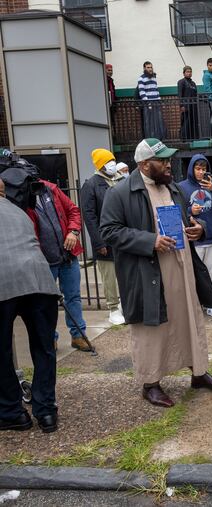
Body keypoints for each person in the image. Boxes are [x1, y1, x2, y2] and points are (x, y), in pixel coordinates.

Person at [100, 138, 212, 407]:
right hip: (148, 271)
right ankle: (150, 384)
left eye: (169, 160)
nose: (169, 165)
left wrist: (198, 228)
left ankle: (198, 372)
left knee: (189, 317)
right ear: (145, 165)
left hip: (182, 266)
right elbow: (109, 231)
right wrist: (150, 241)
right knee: (153, 328)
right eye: (163, 161)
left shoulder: (173, 188)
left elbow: (186, 221)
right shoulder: (121, 193)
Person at [0, 179, 60, 433]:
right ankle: (46, 412)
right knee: (43, 347)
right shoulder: (19, 210)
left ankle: (13, 413)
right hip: (39, 280)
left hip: (5, 283)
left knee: (1, 352)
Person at [25, 177, 89, 352]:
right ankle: (50, 338)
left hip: (68, 256)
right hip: (44, 260)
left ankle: (78, 336)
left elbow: (73, 211)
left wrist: (73, 231)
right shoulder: (21, 196)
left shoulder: (51, 189)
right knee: (47, 302)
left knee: (73, 297)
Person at [178, 154, 212, 318]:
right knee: (193, 273)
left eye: (204, 169)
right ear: (192, 169)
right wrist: (190, 211)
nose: (201, 172)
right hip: (194, 237)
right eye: (198, 168)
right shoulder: (182, 187)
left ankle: (211, 304)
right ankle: (194, 304)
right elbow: (176, 210)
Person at [80, 148, 125, 325]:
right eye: (107, 162)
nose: (112, 164)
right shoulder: (91, 185)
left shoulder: (121, 180)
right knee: (109, 276)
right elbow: (90, 217)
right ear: (100, 165)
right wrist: (99, 242)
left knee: (125, 273)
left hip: (123, 236)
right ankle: (113, 307)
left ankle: (124, 304)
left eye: (112, 160)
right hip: (105, 239)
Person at [137, 61, 166, 139]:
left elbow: (156, 90)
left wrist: (160, 101)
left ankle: (158, 139)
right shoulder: (141, 78)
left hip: (156, 102)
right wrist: (147, 103)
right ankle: (150, 139)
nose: (150, 69)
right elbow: (142, 92)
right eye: (148, 67)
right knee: (149, 122)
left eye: (151, 67)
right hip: (148, 103)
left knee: (158, 121)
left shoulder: (154, 77)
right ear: (144, 68)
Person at [177, 66, 199, 141]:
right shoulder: (181, 82)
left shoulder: (193, 83)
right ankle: (184, 139)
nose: (189, 73)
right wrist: (181, 105)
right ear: (184, 73)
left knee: (193, 122)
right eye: (187, 72)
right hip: (186, 106)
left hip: (194, 106)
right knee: (185, 122)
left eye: (190, 72)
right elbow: (180, 94)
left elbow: (196, 94)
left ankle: (193, 138)